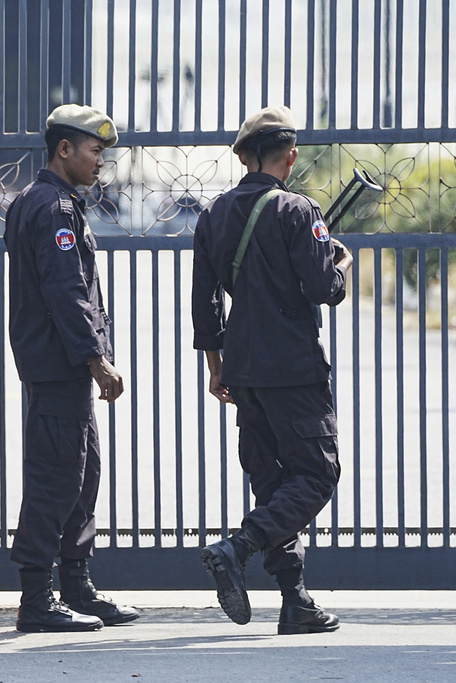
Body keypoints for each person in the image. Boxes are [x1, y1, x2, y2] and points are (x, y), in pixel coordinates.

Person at [191, 105, 353, 635]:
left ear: (241, 156)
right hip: (293, 366)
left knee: (272, 482)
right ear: (291, 154)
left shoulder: (213, 213)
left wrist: (216, 366)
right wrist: (341, 265)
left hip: (243, 368)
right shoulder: (298, 209)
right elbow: (322, 289)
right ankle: (237, 547)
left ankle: (294, 598)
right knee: (316, 473)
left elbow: (205, 302)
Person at [4, 104, 140, 633]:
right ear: (65, 149)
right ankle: (37, 598)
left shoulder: (47, 202)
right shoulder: (53, 208)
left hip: (62, 367)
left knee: (83, 477)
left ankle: (76, 586)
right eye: (94, 150)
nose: (100, 161)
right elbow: (66, 290)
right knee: (56, 479)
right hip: (59, 365)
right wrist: (96, 358)